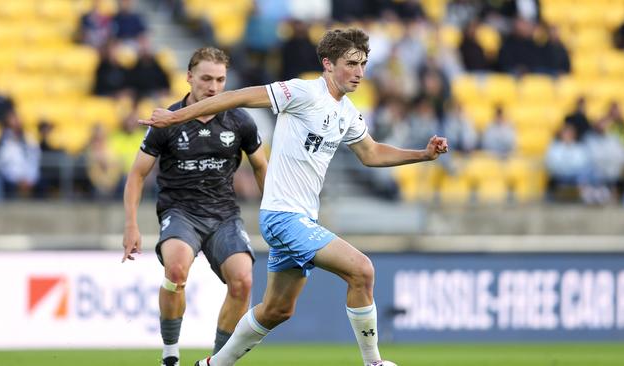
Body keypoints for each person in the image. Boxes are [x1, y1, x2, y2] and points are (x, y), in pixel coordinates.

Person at [138, 29, 448, 366]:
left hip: (302, 219)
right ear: (328, 64)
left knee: (277, 310)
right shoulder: (301, 92)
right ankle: (373, 362)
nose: (359, 72)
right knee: (362, 270)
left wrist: (423, 154)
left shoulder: (346, 112)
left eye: (363, 64)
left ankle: (212, 364)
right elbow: (238, 97)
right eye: (351, 64)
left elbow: (371, 153)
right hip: (283, 218)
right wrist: (176, 116)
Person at [121, 47, 268, 366]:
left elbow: (260, 167)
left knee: (243, 281)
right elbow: (136, 174)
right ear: (189, 77)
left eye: (220, 80)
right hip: (180, 212)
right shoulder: (168, 121)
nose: (213, 87)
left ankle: (219, 360)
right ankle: (170, 355)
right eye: (206, 79)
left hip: (224, 215)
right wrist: (131, 224)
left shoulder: (240, 120)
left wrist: (275, 213)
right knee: (175, 270)